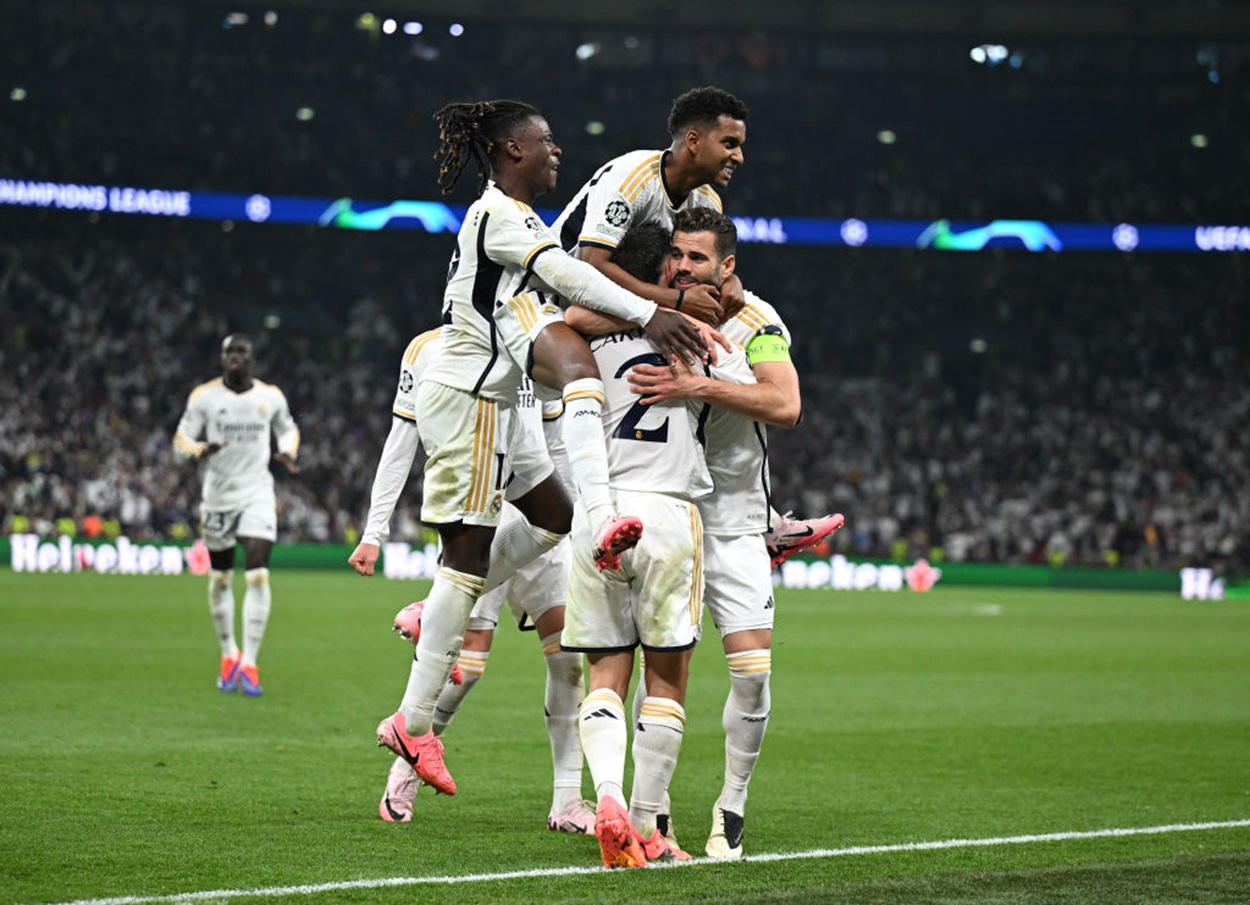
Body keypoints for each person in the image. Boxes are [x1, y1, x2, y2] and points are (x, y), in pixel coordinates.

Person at [372, 99, 715, 798]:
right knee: (463, 562)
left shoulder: (518, 218)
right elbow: (567, 276)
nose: (558, 152)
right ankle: (413, 720)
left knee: (549, 515)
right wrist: (651, 309)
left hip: (500, 398)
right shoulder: (497, 215)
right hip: (465, 397)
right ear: (510, 152)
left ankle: (585, 519)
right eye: (545, 142)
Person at [625, 208, 845, 859]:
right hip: (667, 518)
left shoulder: (759, 323)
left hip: (735, 526)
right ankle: (653, 811)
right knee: (658, 668)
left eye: (698, 258)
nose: (685, 266)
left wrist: (699, 382)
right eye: (678, 256)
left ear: (727, 266)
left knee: (751, 674)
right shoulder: (649, 314)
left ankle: (732, 806)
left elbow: (786, 405)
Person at [348, 328, 593, 833]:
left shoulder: (536, 340)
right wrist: (374, 530)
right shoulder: (426, 348)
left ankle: (568, 801)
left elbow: (555, 443)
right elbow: (402, 442)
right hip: (480, 519)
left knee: (568, 660)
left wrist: (580, 513)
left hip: (539, 520)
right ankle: (406, 766)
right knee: (468, 671)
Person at [552, 85, 750, 327]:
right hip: (553, 296)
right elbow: (592, 263)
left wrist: (730, 281)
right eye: (729, 144)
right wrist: (675, 300)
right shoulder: (631, 176)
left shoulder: (708, 200)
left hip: (626, 306)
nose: (739, 157)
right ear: (694, 141)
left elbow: (703, 265)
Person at [173, 334, 300, 698]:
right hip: (217, 498)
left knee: (258, 574)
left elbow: (288, 428)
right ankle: (229, 653)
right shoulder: (205, 397)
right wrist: (199, 448)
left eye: (241, 351)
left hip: (257, 493)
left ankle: (251, 663)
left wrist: (288, 450)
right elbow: (180, 440)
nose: (234, 356)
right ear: (222, 357)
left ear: (251, 358)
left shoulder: (270, 397)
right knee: (221, 578)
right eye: (229, 351)